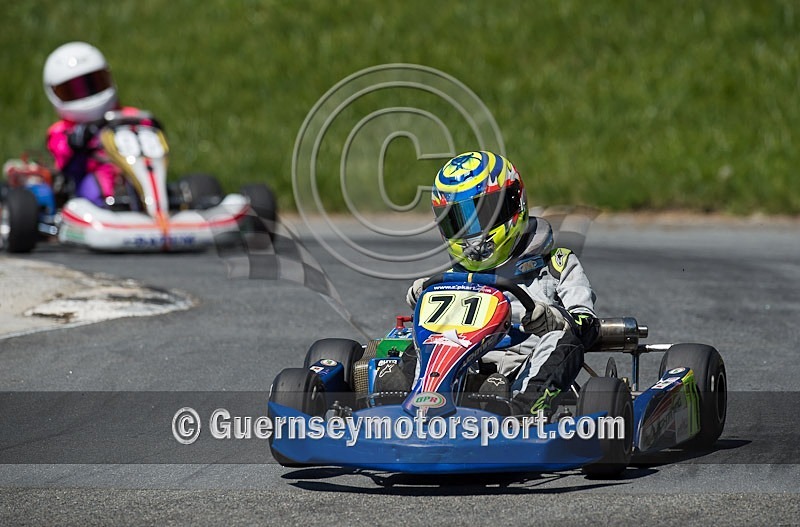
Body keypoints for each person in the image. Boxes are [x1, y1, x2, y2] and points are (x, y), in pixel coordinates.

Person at [404, 151, 600, 417]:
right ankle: (402, 404)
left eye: (482, 213)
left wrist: (556, 319)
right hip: (462, 363)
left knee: (563, 340)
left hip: (526, 365)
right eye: (457, 220)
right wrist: (425, 297)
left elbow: (586, 324)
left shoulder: (555, 264)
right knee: (410, 337)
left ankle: (521, 414)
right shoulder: (453, 275)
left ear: (512, 204)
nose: (471, 233)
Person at [43, 41, 138, 208]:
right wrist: (75, 139)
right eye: (73, 89)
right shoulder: (62, 131)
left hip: (133, 172)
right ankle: (109, 208)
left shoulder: (128, 116)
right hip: (87, 180)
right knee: (94, 186)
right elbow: (60, 150)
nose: (86, 95)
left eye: (93, 84)